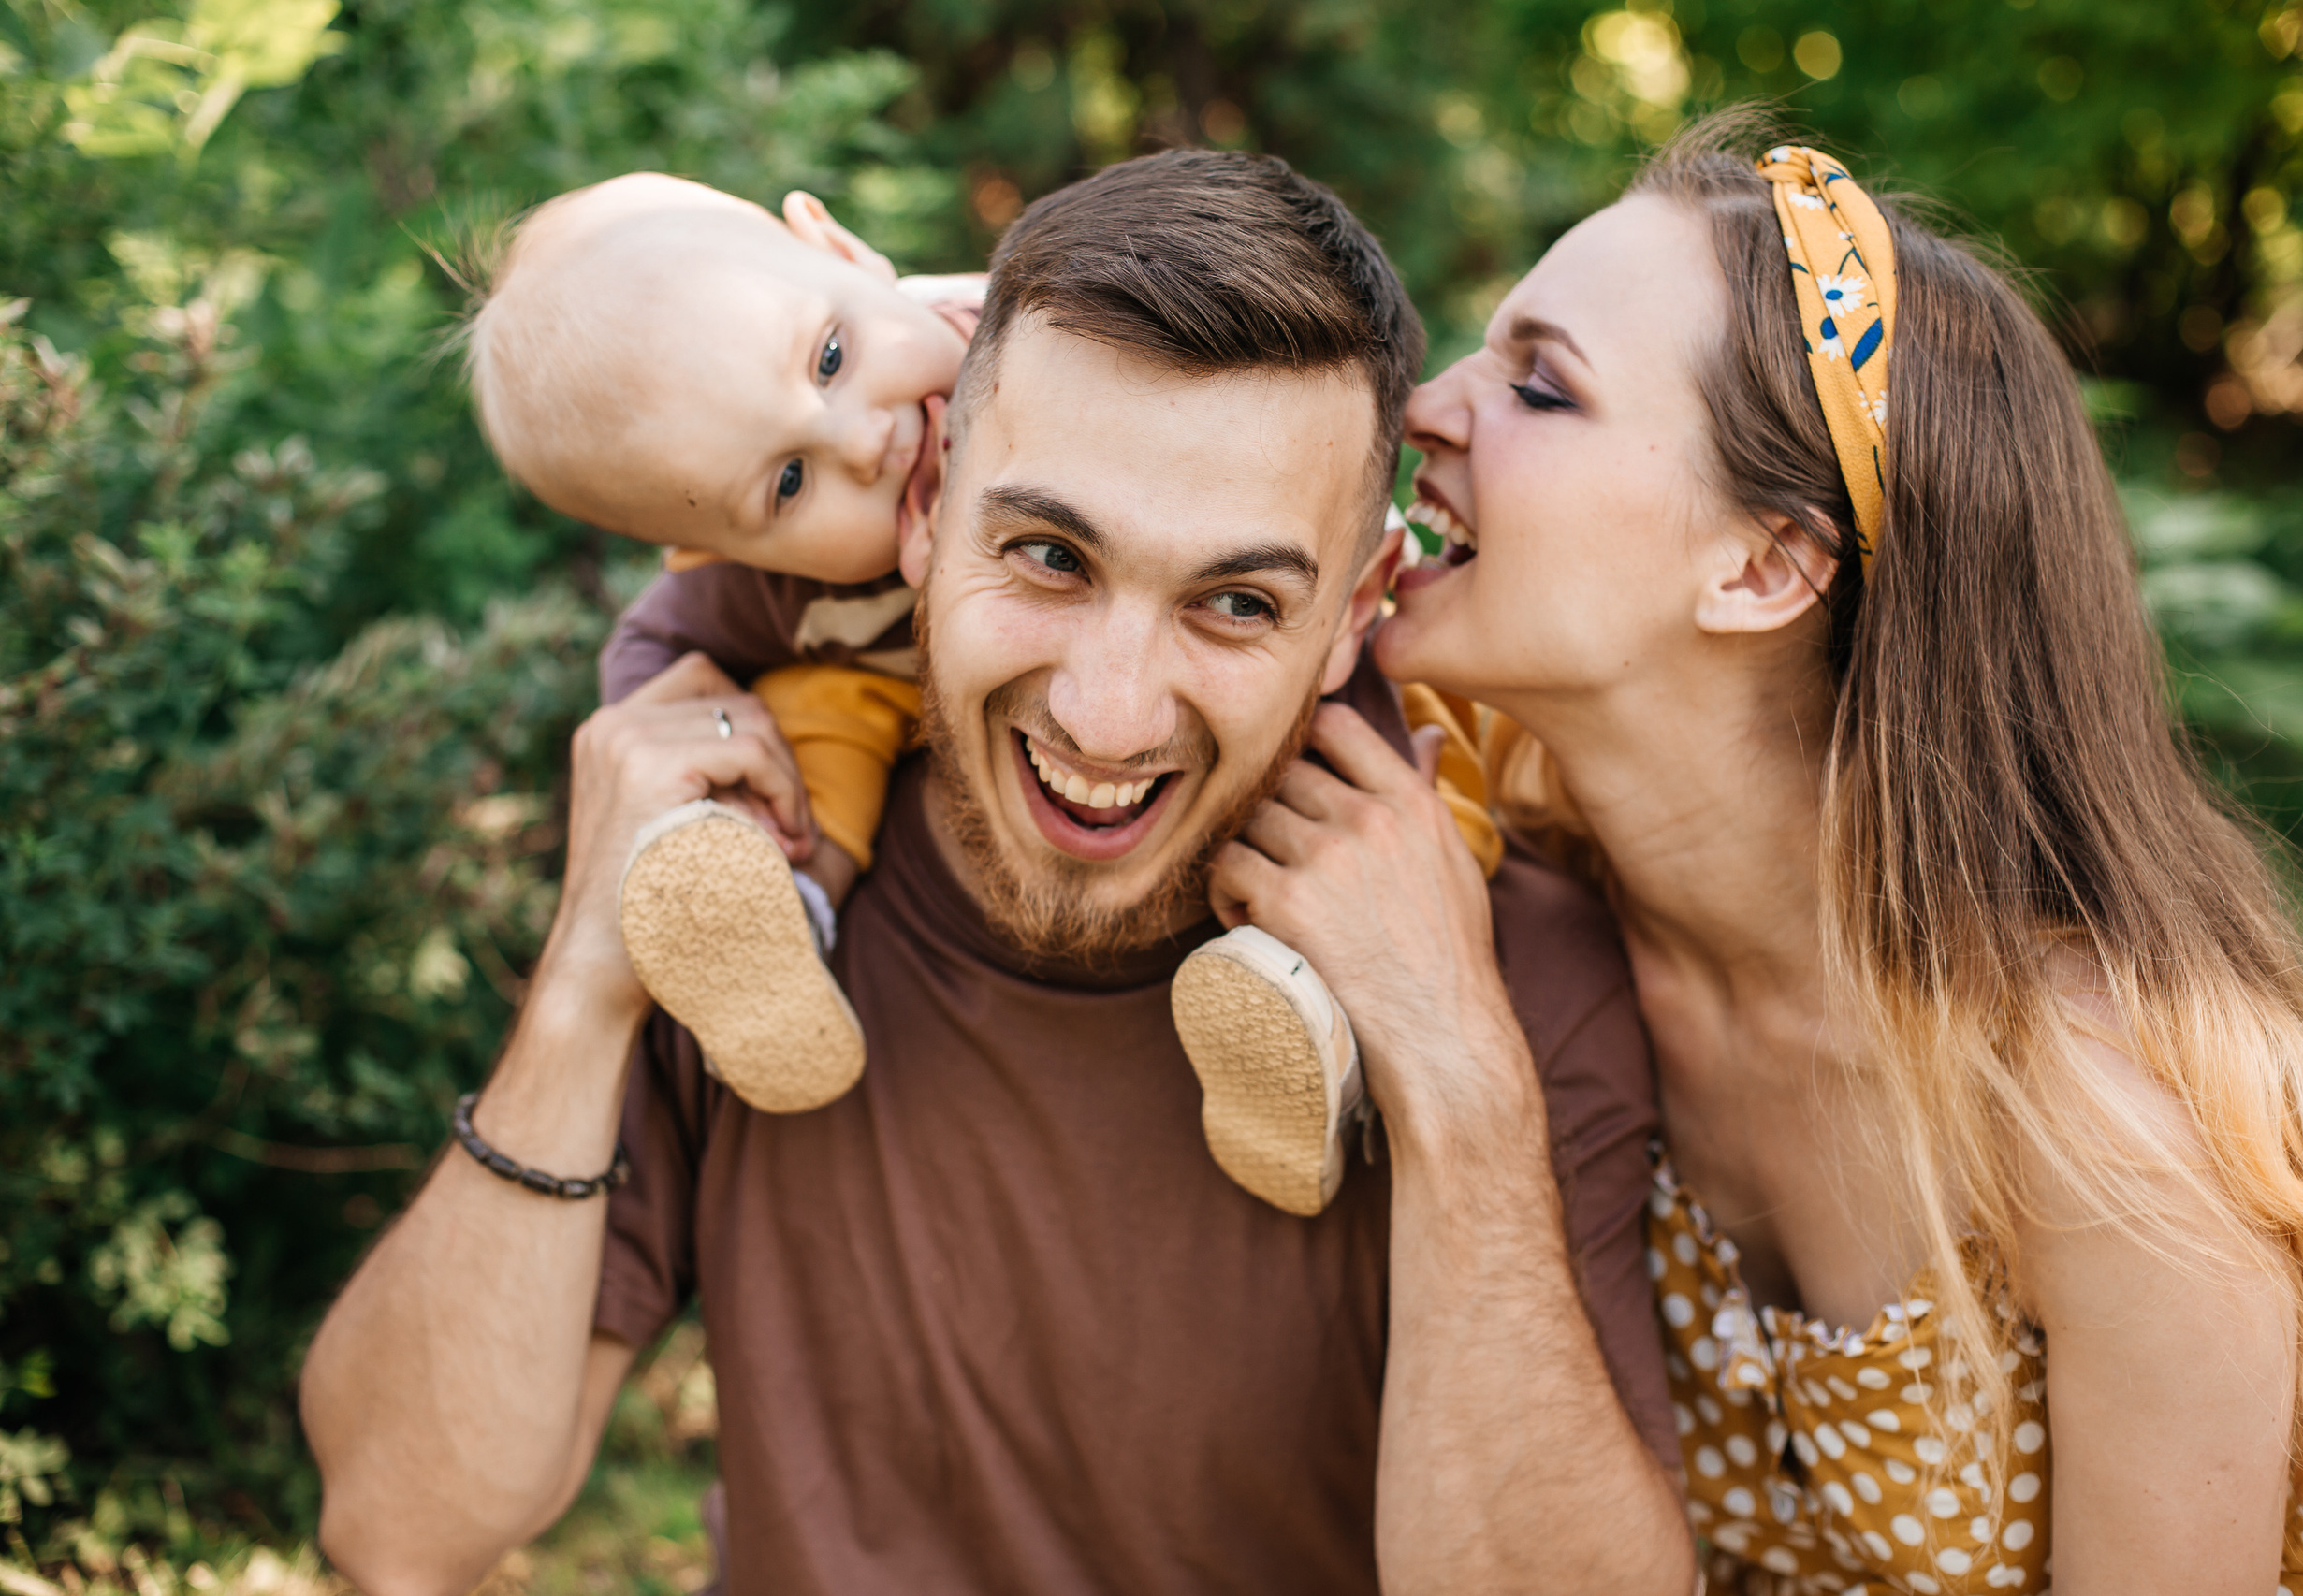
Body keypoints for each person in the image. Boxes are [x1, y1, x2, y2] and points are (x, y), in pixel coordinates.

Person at [299, 150, 1687, 1595]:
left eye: (1236, 601)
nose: (1108, 713)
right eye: (1046, 555)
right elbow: (403, 1522)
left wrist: (1456, 1074)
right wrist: (587, 983)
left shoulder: (1508, 973)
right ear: (925, 511)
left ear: (1355, 617)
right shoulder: (745, 900)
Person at [1218, 111, 2303, 1595]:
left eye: (1539, 386)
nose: (1428, 406)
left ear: (1763, 565)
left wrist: (1459, 1062)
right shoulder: (1483, 855)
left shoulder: (2098, 1127)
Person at [464, 169, 1501, 1213]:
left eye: (831, 357)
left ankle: (1311, 1004)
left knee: (1342, 771)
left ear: (839, 248)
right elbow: (662, 667)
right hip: (876, 691)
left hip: (1331, 803)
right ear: (703, 548)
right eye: (787, 483)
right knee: (812, 724)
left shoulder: (1037, 331)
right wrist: (660, 796)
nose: (865, 438)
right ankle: (787, 923)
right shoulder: (765, 587)